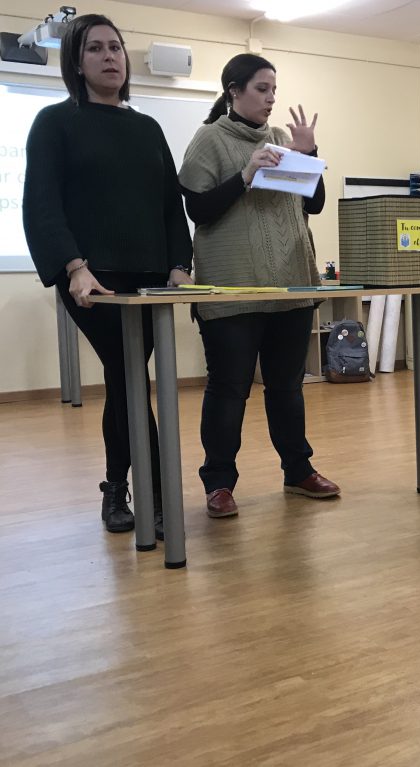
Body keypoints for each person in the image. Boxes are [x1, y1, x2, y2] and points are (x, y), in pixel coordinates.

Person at [22, 14, 193, 538]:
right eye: (95, 48)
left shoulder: (147, 128)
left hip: (149, 278)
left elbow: (170, 205)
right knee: (128, 377)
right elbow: (42, 205)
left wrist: (180, 264)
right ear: (77, 62)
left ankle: (117, 488)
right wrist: (73, 266)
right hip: (91, 280)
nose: (109, 56)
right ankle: (157, 498)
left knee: (126, 381)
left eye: (115, 47)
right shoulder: (54, 122)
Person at [178, 53, 338, 518]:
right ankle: (219, 483)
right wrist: (245, 175)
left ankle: (298, 471)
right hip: (233, 290)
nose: (270, 99)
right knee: (229, 390)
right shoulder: (209, 139)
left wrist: (308, 153)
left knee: (287, 387)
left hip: (291, 286)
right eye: (261, 89)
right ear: (234, 91)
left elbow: (314, 204)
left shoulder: (281, 139)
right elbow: (198, 210)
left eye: (274, 90)